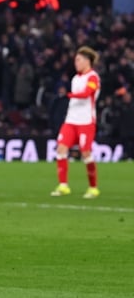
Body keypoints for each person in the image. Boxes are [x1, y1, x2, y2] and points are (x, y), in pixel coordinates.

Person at [51, 46, 101, 198]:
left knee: (85, 152)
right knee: (61, 149)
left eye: (78, 60)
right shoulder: (75, 78)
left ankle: (93, 188)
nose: (76, 63)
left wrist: (70, 95)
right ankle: (63, 185)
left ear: (87, 61)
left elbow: (87, 93)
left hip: (86, 121)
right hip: (71, 120)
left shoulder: (93, 77)